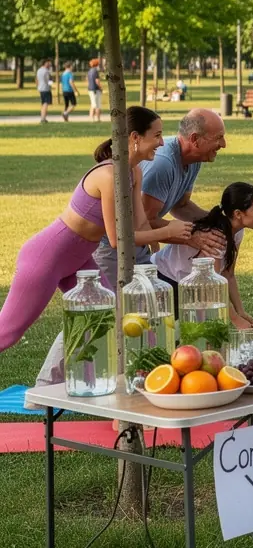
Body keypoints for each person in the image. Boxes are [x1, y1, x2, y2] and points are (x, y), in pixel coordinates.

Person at [1, 107, 192, 363]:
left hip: (78, 260)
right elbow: (118, 240)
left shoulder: (133, 172)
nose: (161, 142)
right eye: (156, 135)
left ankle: (52, 391)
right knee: (8, 333)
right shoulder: (109, 175)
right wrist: (167, 230)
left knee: (105, 318)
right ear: (135, 137)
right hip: (47, 256)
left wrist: (169, 237)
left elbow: (142, 225)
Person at [91, 108, 229, 292]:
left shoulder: (193, 159)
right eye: (218, 137)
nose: (224, 144)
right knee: (118, 313)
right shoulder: (162, 164)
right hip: (111, 250)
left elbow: (181, 205)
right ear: (195, 140)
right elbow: (145, 222)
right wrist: (189, 236)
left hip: (136, 245)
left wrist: (219, 223)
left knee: (145, 310)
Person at [154, 182, 253, 329]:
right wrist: (236, 320)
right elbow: (212, 287)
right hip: (164, 280)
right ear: (238, 214)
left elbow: (228, 274)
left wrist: (240, 312)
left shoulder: (237, 232)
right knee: (177, 334)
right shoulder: (217, 236)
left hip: (189, 284)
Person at [36, 59, 53, 123]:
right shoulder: (46, 71)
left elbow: (37, 79)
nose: (49, 64)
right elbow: (48, 80)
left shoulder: (39, 70)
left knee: (43, 104)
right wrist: (51, 85)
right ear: (45, 63)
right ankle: (43, 118)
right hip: (46, 89)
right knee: (46, 103)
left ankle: (42, 117)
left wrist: (38, 87)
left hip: (41, 89)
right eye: (48, 63)